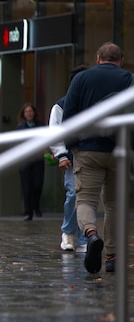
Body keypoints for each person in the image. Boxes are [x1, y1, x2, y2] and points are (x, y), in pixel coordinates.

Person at [63, 42, 134, 274]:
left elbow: (70, 115)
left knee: (85, 201)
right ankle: (113, 256)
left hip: (88, 149)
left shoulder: (81, 79)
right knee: (114, 205)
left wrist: (73, 146)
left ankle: (92, 236)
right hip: (119, 150)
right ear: (120, 60)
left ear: (97, 58)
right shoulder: (129, 79)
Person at [48, 65, 88, 253]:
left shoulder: (91, 104)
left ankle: (83, 236)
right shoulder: (61, 105)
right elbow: (54, 132)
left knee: (86, 196)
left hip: (90, 154)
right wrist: (61, 155)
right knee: (73, 194)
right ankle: (68, 233)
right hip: (72, 156)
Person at [15, 102, 45, 221]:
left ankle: (36, 205)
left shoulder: (40, 125)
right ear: (23, 114)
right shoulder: (20, 127)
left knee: (37, 185)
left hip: (37, 159)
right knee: (26, 187)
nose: (29, 113)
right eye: (26, 111)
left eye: (30, 111)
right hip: (25, 160)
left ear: (34, 113)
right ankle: (28, 212)